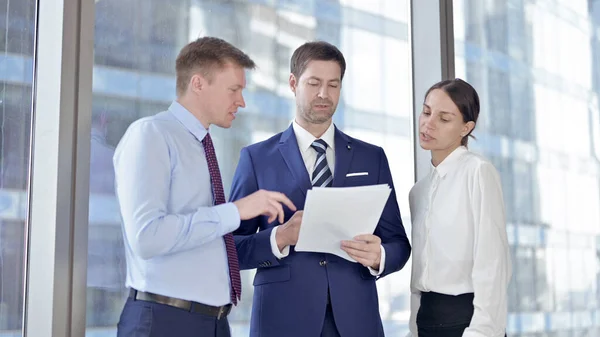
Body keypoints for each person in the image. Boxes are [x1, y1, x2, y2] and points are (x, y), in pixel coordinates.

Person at [113, 37, 296, 337]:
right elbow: (146, 237)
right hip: (164, 322)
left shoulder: (203, 147)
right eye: (233, 89)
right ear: (198, 84)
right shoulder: (151, 134)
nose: (241, 101)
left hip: (212, 322)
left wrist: (279, 236)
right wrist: (235, 211)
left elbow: (208, 240)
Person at [229, 41, 411, 337]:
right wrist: (280, 237)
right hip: (282, 320)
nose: (324, 94)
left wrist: (380, 257)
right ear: (293, 83)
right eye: (314, 83)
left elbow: (399, 244)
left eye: (333, 85)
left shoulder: (371, 157)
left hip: (356, 320)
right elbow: (230, 248)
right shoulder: (257, 158)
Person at [407, 78, 512, 337]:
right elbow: (419, 275)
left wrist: (482, 332)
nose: (428, 123)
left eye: (444, 119)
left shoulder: (478, 173)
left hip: (466, 323)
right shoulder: (418, 191)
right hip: (426, 323)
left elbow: (493, 263)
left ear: (466, 128)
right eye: (427, 111)